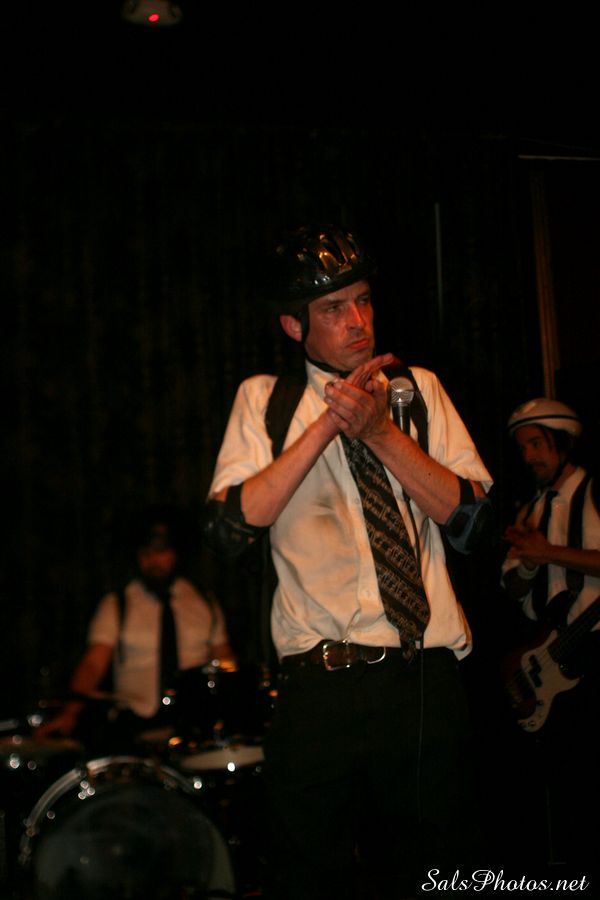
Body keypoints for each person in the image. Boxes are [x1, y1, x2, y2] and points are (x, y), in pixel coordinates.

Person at [203, 224, 493, 898]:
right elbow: (227, 532)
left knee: (440, 872)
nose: (358, 321)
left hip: (423, 677)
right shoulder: (264, 400)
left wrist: (380, 432)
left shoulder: (418, 389)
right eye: (334, 309)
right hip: (320, 685)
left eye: (363, 300)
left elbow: (475, 528)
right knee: (309, 877)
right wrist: (329, 424)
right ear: (293, 326)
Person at [36, 504, 235, 754]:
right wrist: (70, 712)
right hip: (134, 727)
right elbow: (94, 663)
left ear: (176, 553)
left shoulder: (204, 602)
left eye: (160, 552)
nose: (152, 561)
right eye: (145, 553)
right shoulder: (117, 604)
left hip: (194, 725)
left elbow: (224, 661)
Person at [501, 398, 600, 873]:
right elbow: (512, 587)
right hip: (549, 660)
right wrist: (526, 565)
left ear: (562, 444)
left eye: (537, 445)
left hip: (594, 648)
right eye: (523, 448)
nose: (529, 457)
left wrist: (550, 553)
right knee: (560, 787)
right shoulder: (529, 510)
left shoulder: (594, 492)